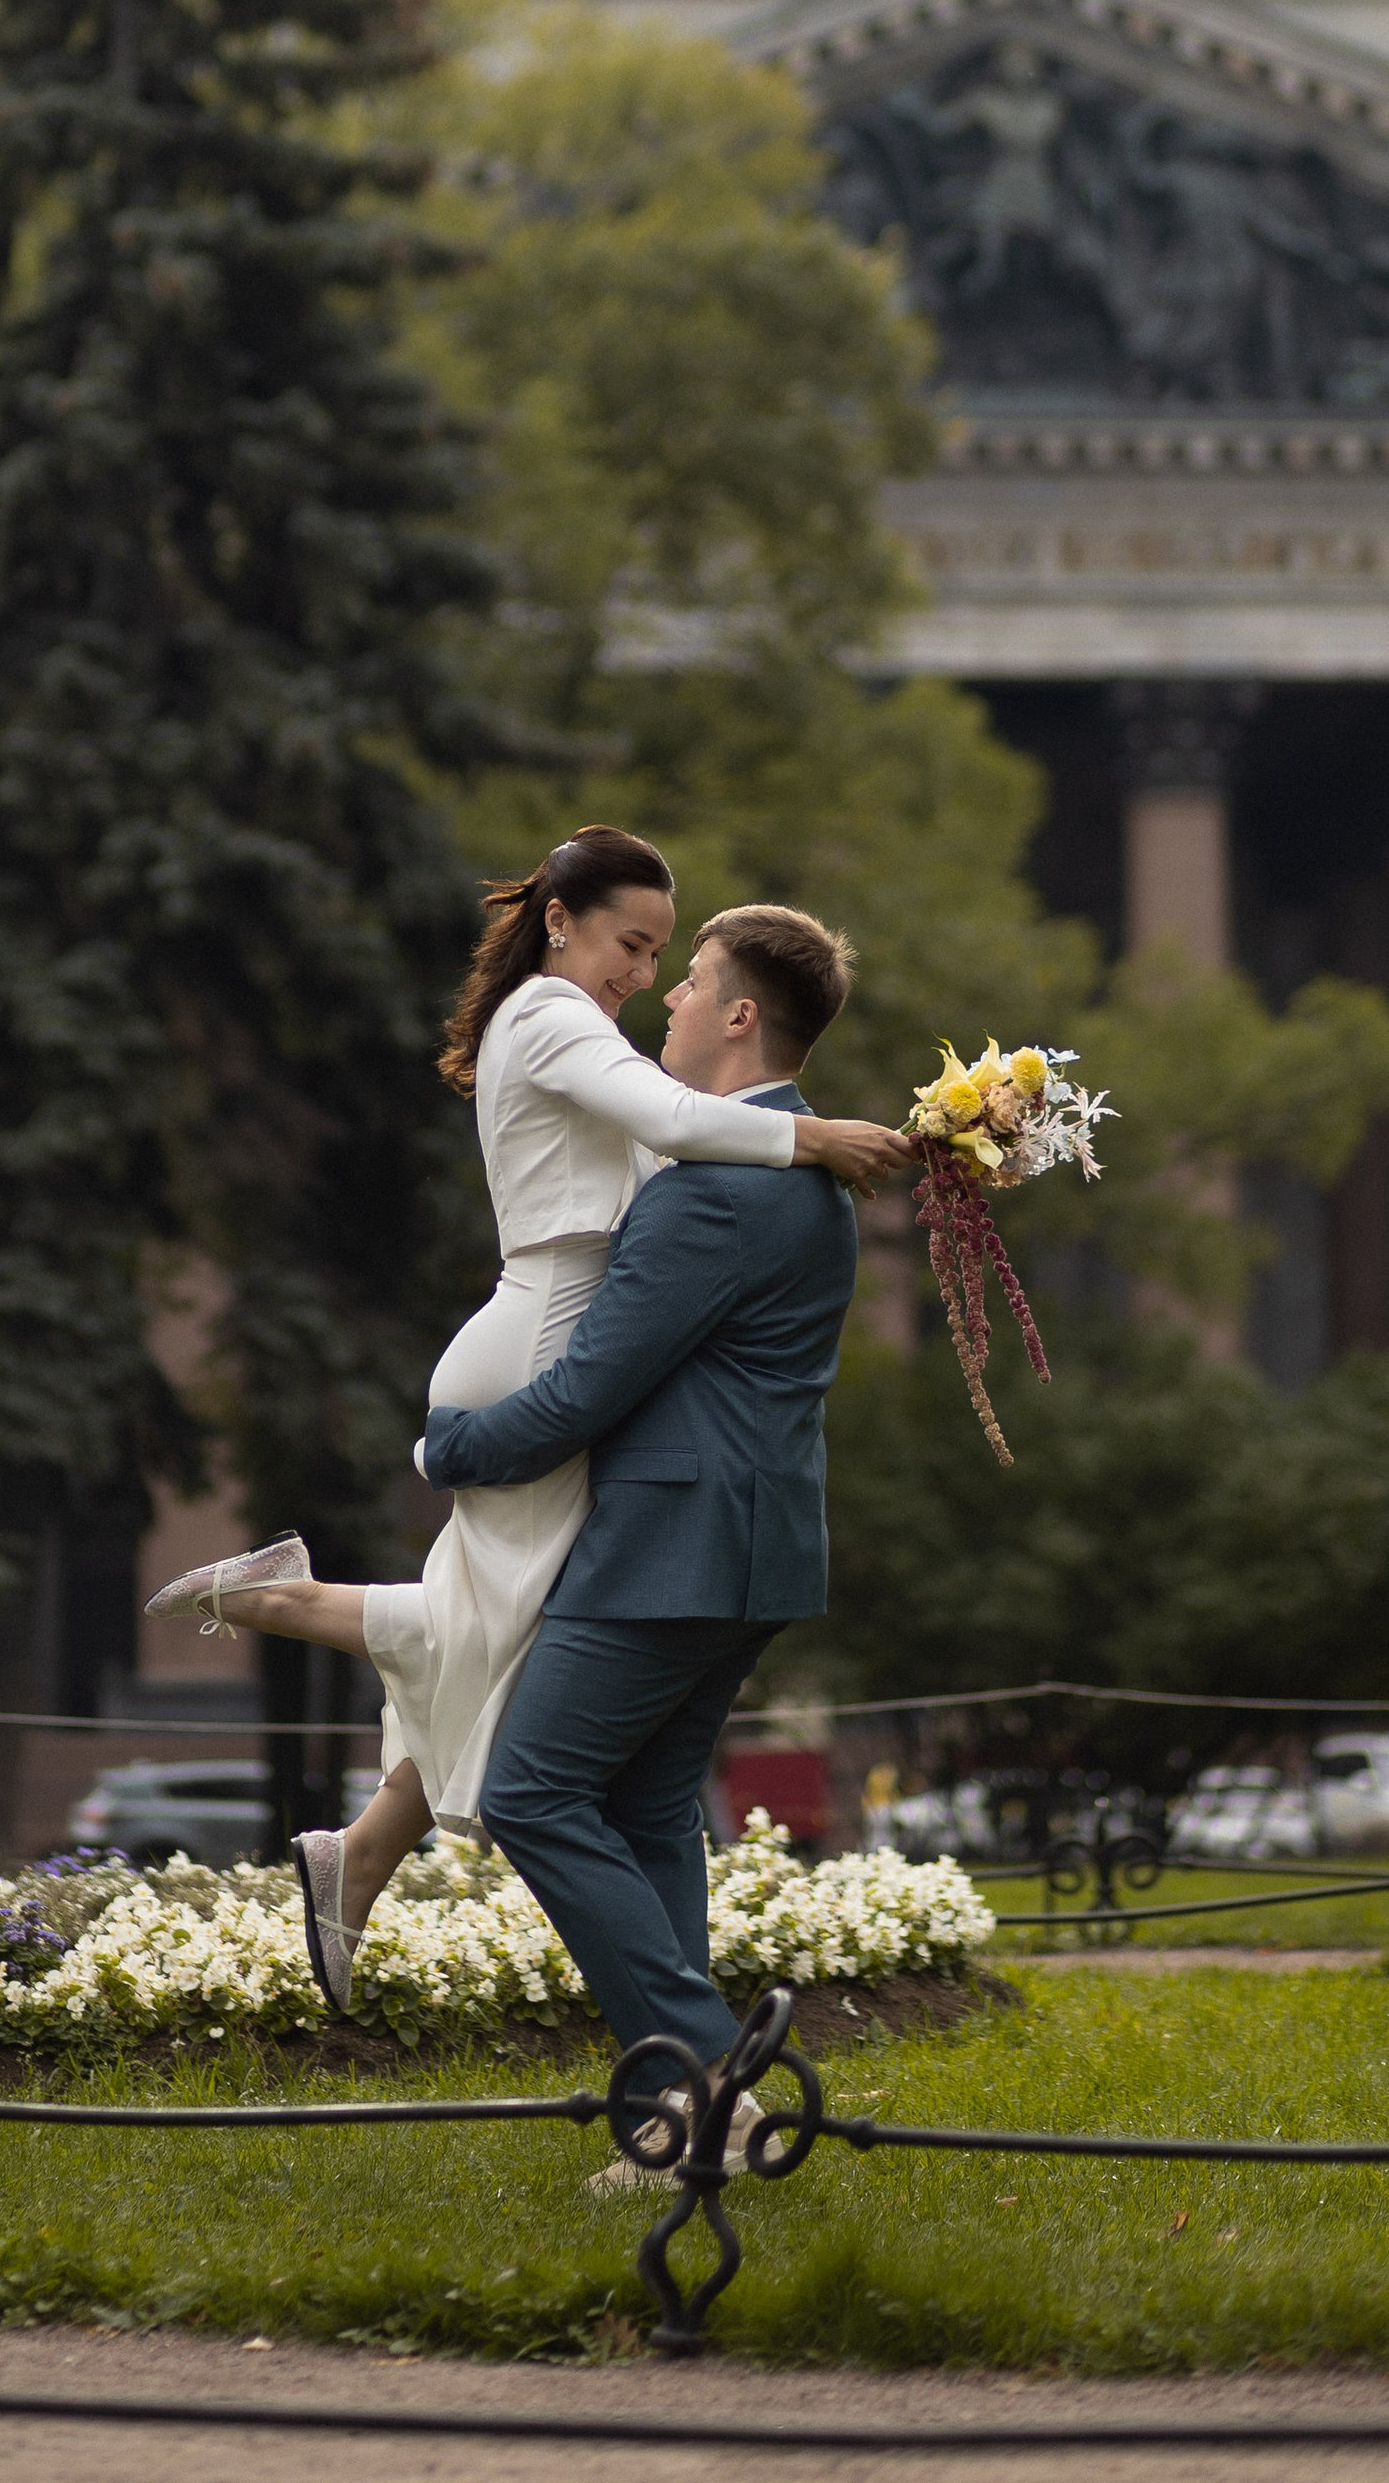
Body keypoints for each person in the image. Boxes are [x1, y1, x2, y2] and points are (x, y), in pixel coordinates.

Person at [141, 827, 908, 2009]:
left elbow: (677, 1135)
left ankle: (312, 1698)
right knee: (499, 1642)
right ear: (558, 920)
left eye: (667, 960)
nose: (647, 979)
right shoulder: (551, 1015)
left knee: (501, 1632)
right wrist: (811, 1133)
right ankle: (293, 1648)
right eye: (633, 946)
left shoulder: (597, 1047)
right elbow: (675, 1123)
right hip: (535, 1344)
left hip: (554, 1351)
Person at [422, 899, 869, 2159]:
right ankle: (676, 2116)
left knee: (532, 1793)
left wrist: (446, 1448)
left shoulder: (713, 1192)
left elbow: (583, 1393)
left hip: (672, 1547)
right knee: (650, 1807)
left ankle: (711, 2074)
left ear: (738, 1015)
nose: (665, 995)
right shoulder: (801, 1171)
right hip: (754, 1545)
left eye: (692, 980)